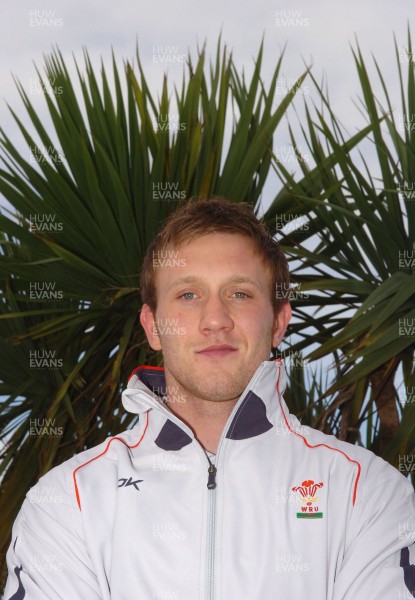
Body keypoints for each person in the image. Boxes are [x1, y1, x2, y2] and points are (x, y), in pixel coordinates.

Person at [4, 196, 415, 599]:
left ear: (278, 323)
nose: (215, 319)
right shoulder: (66, 501)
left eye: (239, 293)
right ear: (153, 326)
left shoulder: (367, 492)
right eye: (188, 295)